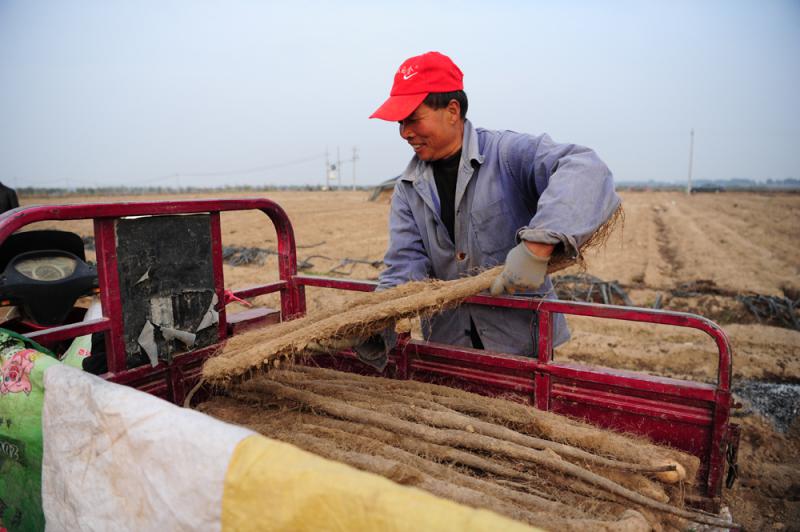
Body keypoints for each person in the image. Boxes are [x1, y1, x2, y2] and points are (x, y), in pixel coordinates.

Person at [364, 51, 620, 363]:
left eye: (413, 119)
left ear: (452, 111)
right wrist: (373, 324)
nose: (405, 132)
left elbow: (585, 167)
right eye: (400, 122)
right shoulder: (408, 188)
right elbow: (404, 267)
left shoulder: (507, 155)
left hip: (524, 348)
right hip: (449, 349)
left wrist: (536, 248)